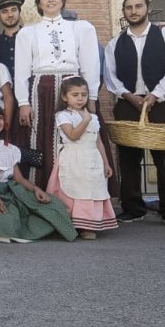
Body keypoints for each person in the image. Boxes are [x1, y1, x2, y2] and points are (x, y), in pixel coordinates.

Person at [103, 0, 165, 227]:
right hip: (128, 103)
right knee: (128, 158)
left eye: (138, 6)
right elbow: (110, 77)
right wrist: (129, 96)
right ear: (124, 12)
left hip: (159, 102)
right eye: (128, 7)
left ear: (147, 8)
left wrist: (156, 94)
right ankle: (132, 208)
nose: (133, 11)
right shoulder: (114, 43)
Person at [14, 0, 101, 189]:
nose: (50, 0)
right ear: (38, 4)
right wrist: (23, 102)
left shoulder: (81, 28)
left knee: (76, 139)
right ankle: (43, 189)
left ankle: (75, 194)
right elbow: (21, 71)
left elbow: (90, 64)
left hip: (74, 90)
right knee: (41, 139)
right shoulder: (27, 33)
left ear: (62, 1)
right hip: (41, 89)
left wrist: (92, 97)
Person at [0, 103, 76, 243]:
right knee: (9, 218)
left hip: (11, 190)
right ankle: (1, 227)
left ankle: (45, 228)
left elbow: (19, 178)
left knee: (54, 205)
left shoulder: (10, 148)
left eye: (0, 118)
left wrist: (36, 189)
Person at [47, 77, 117, 239]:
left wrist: (106, 163)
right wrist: (85, 121)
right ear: (65, 97)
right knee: (74, 187)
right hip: (74, 158)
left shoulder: (93, 117)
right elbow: (72, 135)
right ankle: (70, 222)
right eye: (75, 94)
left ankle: (88, 225)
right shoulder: (63, 115)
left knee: (91, 189)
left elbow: (98, 141)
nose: (80, 98)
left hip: (92, 158)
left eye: (84, 95)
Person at [0, 0, 25, 81]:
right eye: (4, 11)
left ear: (19, 12)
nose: (10, 15)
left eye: (14, 10)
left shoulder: (30, 37)